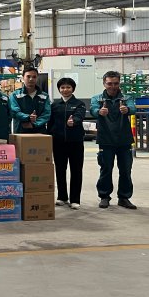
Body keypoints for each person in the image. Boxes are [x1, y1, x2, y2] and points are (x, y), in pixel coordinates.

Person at [91, 71, 137, 209]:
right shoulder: (98, 99)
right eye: (109, 83)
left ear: (119, 83)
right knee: (106, 169)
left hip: (124, 139)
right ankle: (104, 196)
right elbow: (93, 109)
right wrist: (99, 112)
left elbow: (133, 108)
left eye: (116, 83)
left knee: (126, 170)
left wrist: (127, 109)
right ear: (104, 83)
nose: (113, 86)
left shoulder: (126, 98)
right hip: (105, 139)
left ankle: (124, 197)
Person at [49, 77, 87, 210]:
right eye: (62, 87)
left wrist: (74, 121)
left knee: (76, 170)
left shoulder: (79, 104)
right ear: (59, 89)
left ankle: (75, 199)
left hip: (75, 142)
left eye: (68, 87)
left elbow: (80, 116)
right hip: (58, 142)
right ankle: (62, 196)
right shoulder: (54, 105)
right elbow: (50, 123)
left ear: (73, 89)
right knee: (60, 170)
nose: (65, 90)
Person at [9, 67, 50, 134]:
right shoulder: (15, 95)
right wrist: (28, 117)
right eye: (28, 76)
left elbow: (46, 114)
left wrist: (34, 124)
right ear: (23, 78)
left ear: (37, 78)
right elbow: (14, 112)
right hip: (21, 131)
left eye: (34, 77)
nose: (31, 79)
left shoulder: (44, 96)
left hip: (40, 132)